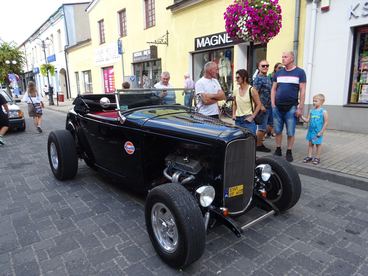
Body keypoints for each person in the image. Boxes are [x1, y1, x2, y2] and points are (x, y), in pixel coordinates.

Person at [271, 51, 306, 162]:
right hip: (277, 107)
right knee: (277, 130)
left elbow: (303, 91)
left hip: (291, 107)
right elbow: (273, 89)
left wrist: (300, 107)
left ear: (292, 58)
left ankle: (289, 151)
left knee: (290, 131)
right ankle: (278, 149)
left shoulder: (300, 72)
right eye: (282, 57)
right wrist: (273, 104)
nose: (283, 59)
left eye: (285, 57)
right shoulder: (279, 73)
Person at [301, 94, 328, 165]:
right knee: (310, 144)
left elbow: (326, 122)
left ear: (322, 102)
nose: (314, 102)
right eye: (313, 101)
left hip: (318, 132)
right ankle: (309, 156)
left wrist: (321, 132)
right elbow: (307, 120)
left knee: (318, 145)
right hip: (311, 131)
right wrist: (301, 116)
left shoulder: (323, 112)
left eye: (316, 101)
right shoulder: (311, 111)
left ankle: (317, 157)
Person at [232, 69, 262, 134]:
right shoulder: (236, 90)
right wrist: (234, 114)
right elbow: (234, 103)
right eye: (236, 77)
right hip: (238, 120)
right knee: (238, 141)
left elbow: (259, 104)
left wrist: (252, 116)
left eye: (238, 77)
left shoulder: (251, 90)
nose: (236, 79)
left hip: (248, 120)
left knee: (250, 141)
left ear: (244, 78)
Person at [253, 60, 272, 152]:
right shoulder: (258, 78)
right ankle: (258, 145)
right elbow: (254, 93)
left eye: (267, 65)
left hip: (269, 106)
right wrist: (260, 105)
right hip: (262, 107)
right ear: (259, 67)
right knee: (262, 127)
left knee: (269, 126)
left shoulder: (267, 78)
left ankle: (259, 142)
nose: (265, 67)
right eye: (263, 66)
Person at [265, 62, 284, 138]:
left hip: (278, 99)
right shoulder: (270, 76)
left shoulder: (282, 76)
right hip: (270, 99)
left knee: (275, 117)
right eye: (279, 67)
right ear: (275, 68)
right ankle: (266, 132)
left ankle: (272, 132)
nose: (281, 69)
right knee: (270, 117)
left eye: (282, 68)